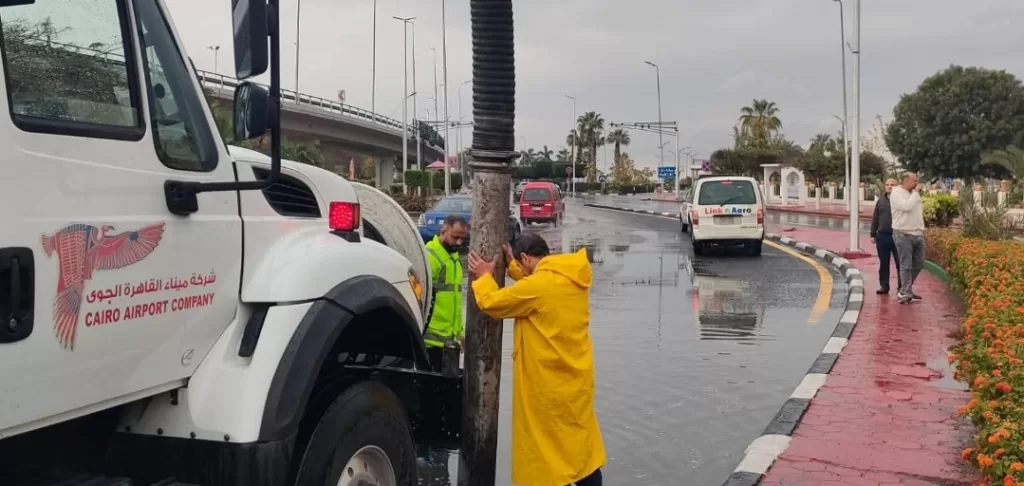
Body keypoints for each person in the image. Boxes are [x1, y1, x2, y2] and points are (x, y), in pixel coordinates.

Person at [467, 234, 606, 486]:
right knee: (580, 453)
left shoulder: (537, 288)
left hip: (548, 391)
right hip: (576, 386)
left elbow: (492, 302)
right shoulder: (572, 278)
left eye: (520, 265)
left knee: (548, 459)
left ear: (525, 258)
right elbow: (536, 287)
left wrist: (484, 277)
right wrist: (513, 268)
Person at [423, 215, 467, 371]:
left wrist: (460, 333)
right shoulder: (430, 257)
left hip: (448, 342)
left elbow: (455, 301)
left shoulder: (453, 260)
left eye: (462, 238)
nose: (459, 242)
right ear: (443, 232)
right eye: (455, 237)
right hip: (430, 342)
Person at [889, 172, 925, 304]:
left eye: (917, 181)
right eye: (914, 181)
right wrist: (916, 193)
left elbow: (917, 212)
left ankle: (905, 289)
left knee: (919, 263)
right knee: (906, 265)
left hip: (917, 234)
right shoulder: (896, 193)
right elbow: (906, 207)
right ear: (905, 181)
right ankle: (906, 292)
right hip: (903, 233)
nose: (917, 183)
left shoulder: (913, 194)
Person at [869, 178, 902, 294]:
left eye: (892, 184)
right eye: (887, 184)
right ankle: (884, 286)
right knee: (883, 263)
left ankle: (901, 287)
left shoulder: (901, 200)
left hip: (898, 236)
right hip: (882, 236)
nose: (889, 186)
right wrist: (873, 234)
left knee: (900, 263)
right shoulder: (880, 201)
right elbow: (875, 218)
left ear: (897, 186)